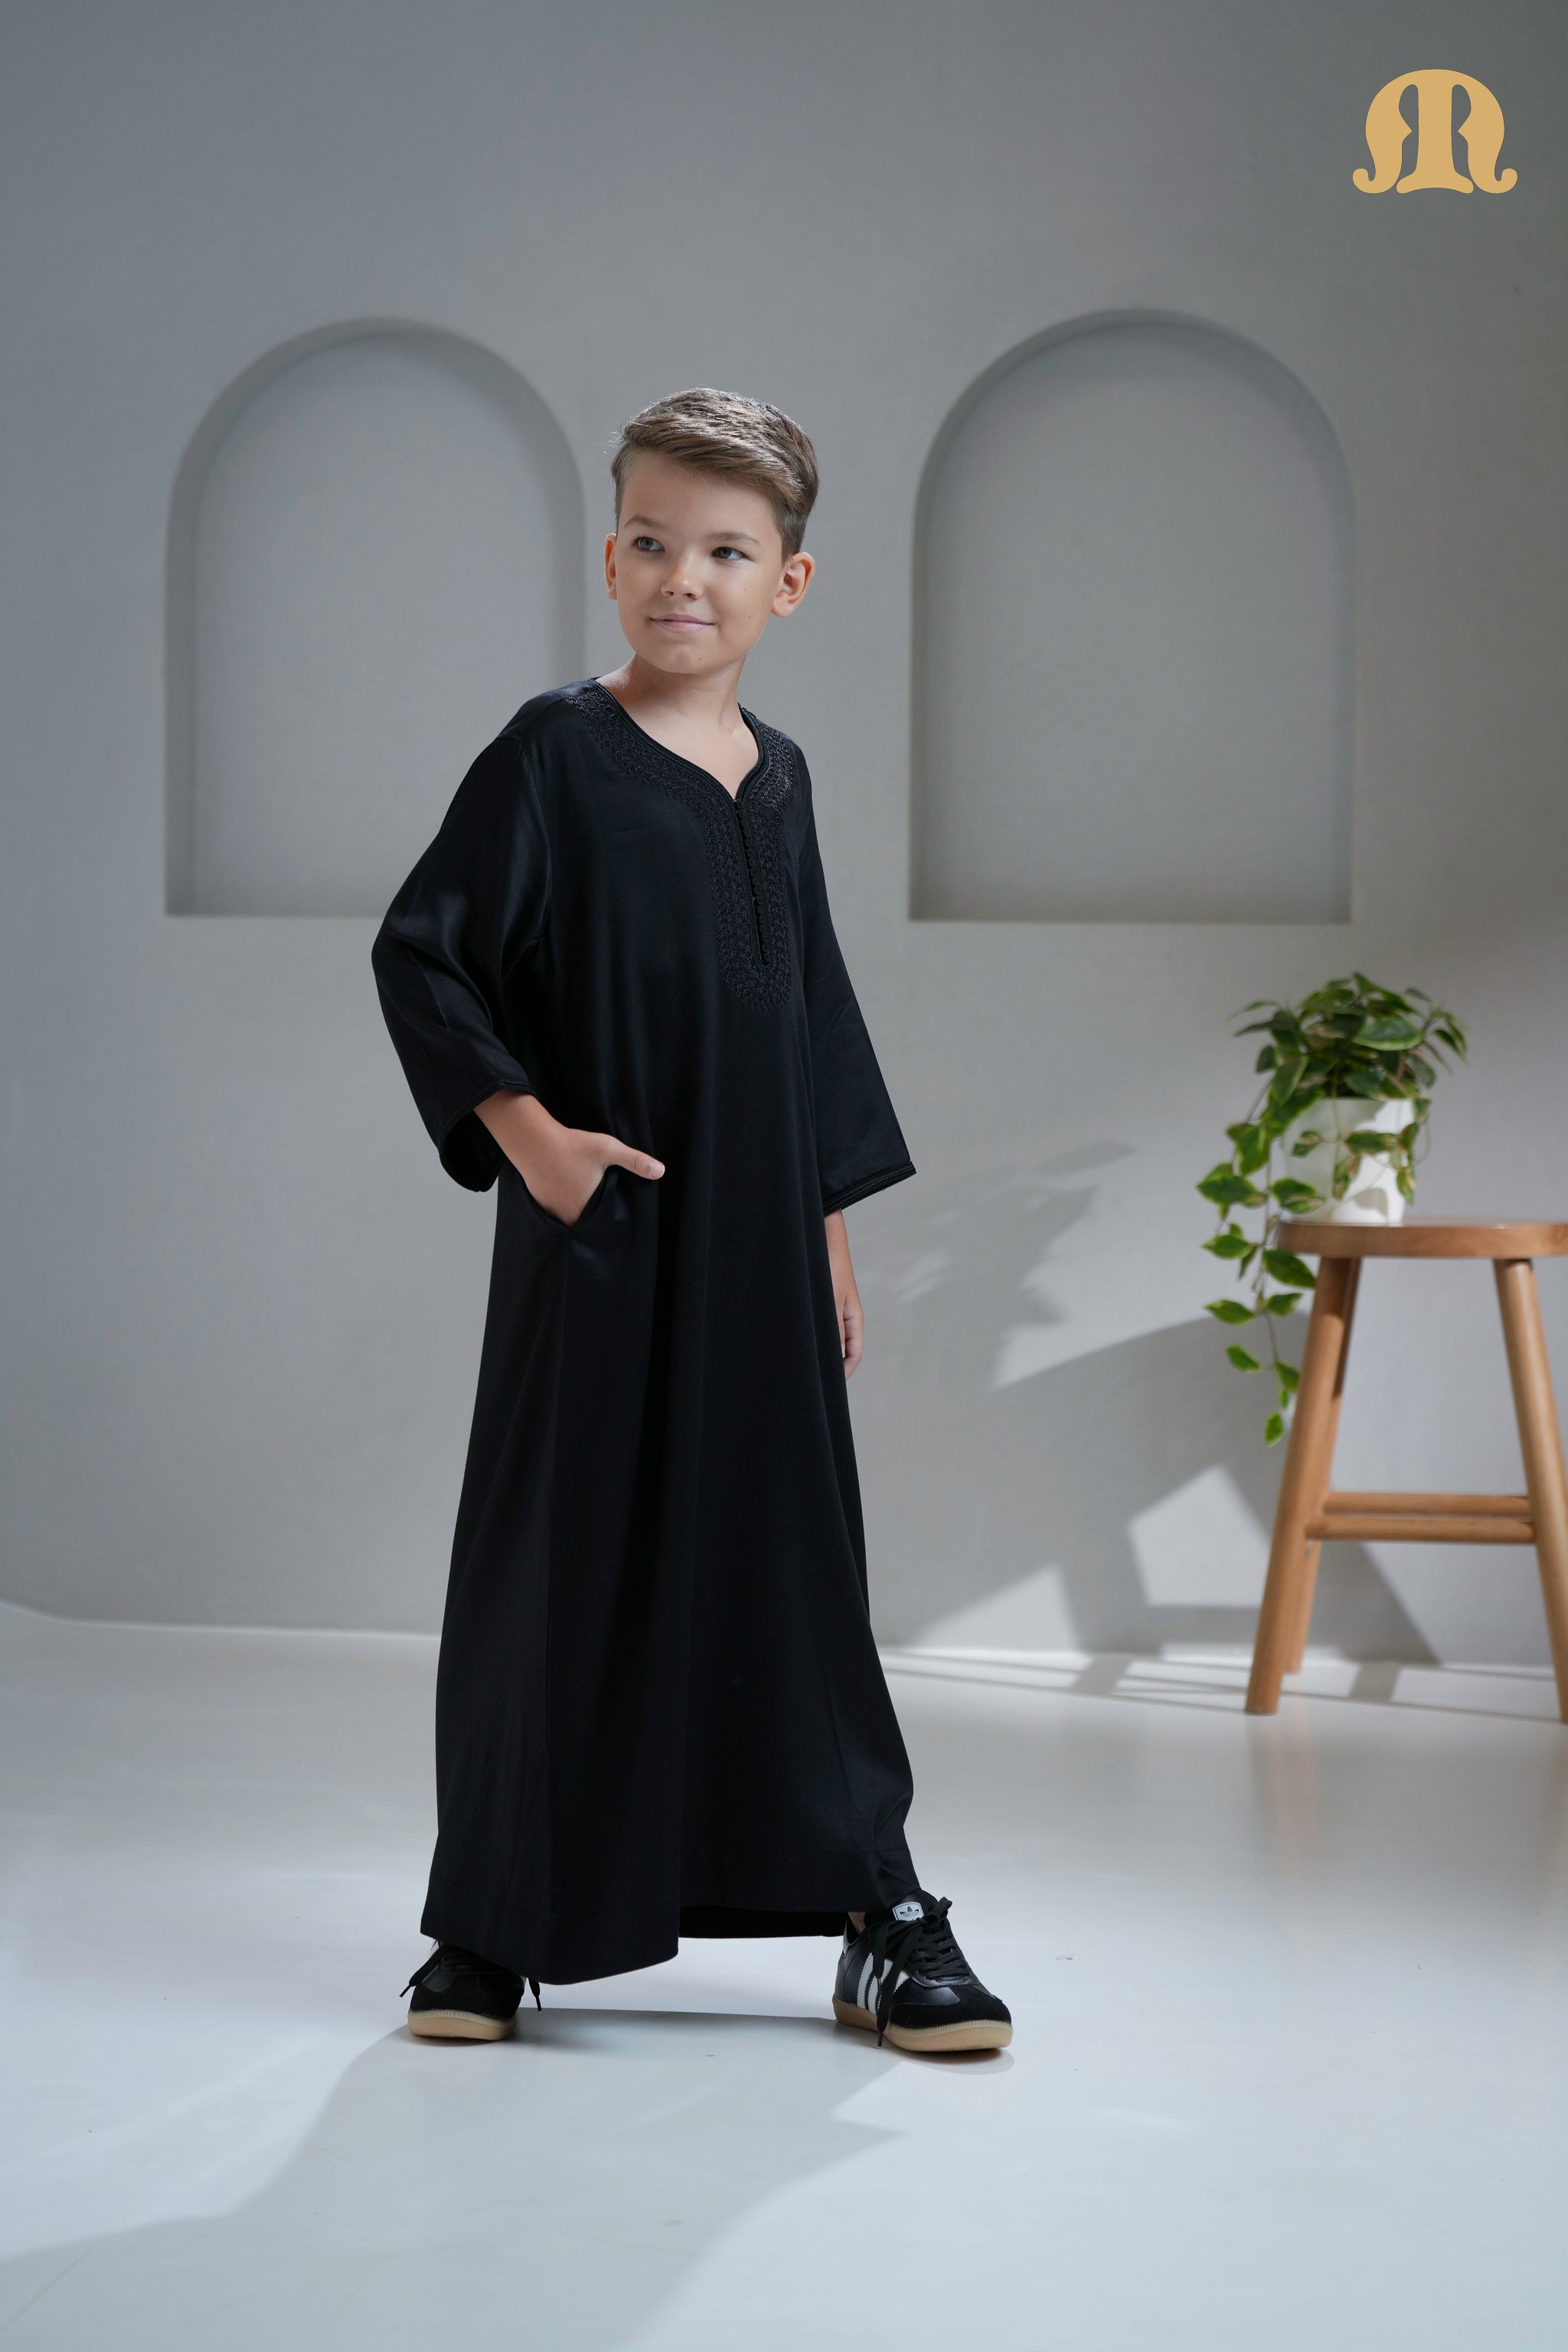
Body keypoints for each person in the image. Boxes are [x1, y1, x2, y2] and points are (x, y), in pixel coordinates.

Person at [371, 387, 1011, 2056]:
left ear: (785, 583)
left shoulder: (778, 780)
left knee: (794, 1564)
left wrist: (828, 1231)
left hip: (764, 1246)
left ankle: (879, 1910)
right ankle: (490, 1922)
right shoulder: (551, 757)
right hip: (603, 1238)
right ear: (611, 560)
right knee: (559, 1555)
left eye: (726, 552)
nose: (683, 579)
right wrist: (535, 1147)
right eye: (652, 542)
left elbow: (809, 1015)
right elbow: (424, 953)